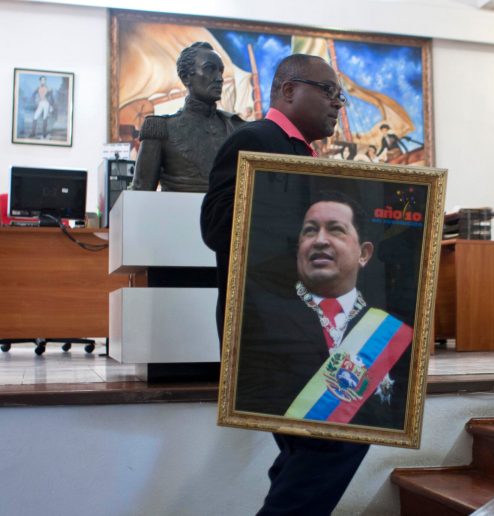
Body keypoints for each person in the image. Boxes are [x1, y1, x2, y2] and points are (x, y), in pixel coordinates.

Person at [201, 54, 375, 516]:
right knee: (341, 434)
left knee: (311, 446)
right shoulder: (254, 141)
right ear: (289, 90)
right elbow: (215, 228)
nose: (339, 104)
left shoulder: (305, 155)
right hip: (271, 331)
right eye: (330, 92)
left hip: (307, 330)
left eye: (341, 95)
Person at [234, 191, 412, 428]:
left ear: (364, 253)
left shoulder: (390, 331)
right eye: (310, 230)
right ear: (299, 248)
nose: (319, 240)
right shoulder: (260, 315)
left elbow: (396, 415)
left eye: (336, 229)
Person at [131, 41, 244, 192]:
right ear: (185, 78)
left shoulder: (237, 128)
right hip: (176, 214)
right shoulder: (160, 129)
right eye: (209, 69)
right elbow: (140, 195)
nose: (219, 78)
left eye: (220, 71)